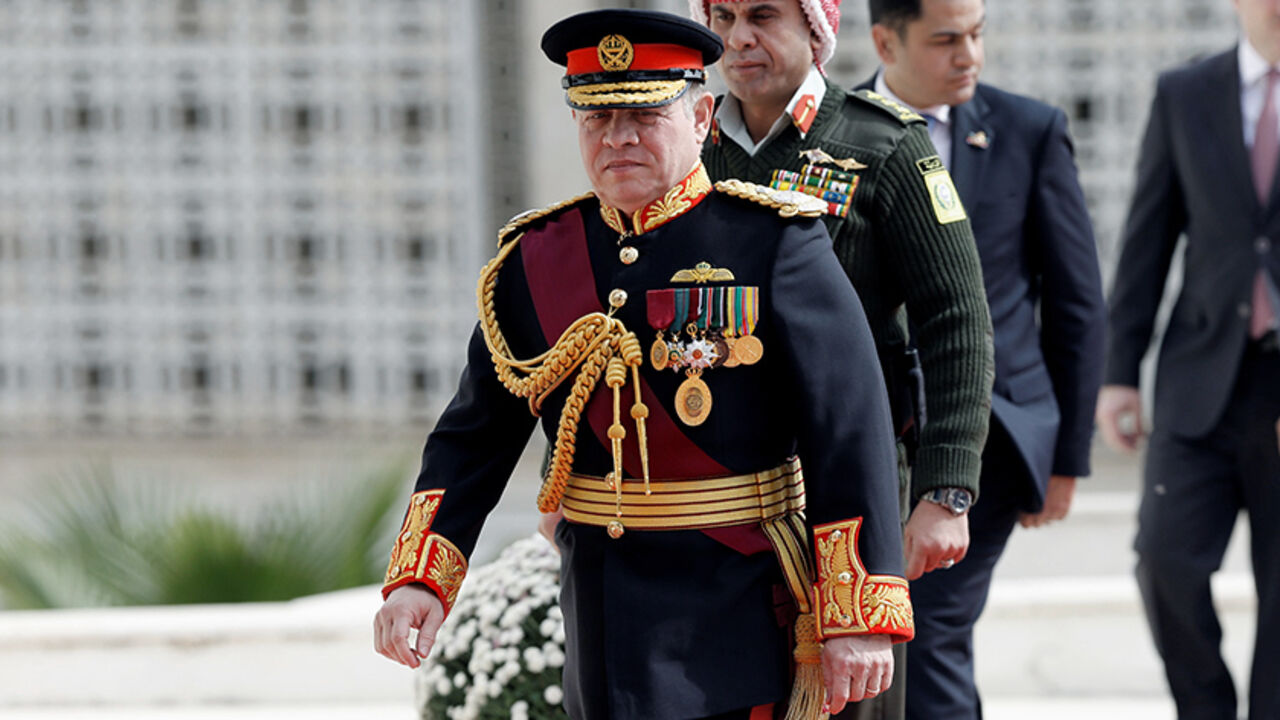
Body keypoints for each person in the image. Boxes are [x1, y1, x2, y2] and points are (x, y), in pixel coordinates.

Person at [373, 9, 914, 720]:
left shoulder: (773, 243)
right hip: (602, 604)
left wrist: (856, 614)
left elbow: (849, 432)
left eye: (643, 116)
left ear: (700, 118)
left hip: (740, 598)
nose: (617, 138)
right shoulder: (535, 261)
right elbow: (473, 435)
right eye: (596, 119)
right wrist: (422, 577)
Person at [691, 1, 994, 716]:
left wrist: (946, 492)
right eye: (723, 16)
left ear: (817, 29)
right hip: (719, 487)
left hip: (848, 484)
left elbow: (958, 321)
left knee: (851, 691)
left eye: (763, 15)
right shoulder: (689, 145)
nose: (739, 37)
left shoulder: (883, 144)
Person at [857, 0, 1107, 717]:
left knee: (930, 630)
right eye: (946, 40)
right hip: (868, 436)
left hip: (992, 435)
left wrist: (1068, 458)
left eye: (977, 35)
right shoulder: (835, 135)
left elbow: (1076, 302)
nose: (970, 55)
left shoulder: (1029, 131)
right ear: (884, 40)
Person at [1097, 0, 1280, 716]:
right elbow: (1148, 237)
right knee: (1165, 561)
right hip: (1200, 379)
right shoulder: (1186, 92)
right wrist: (1119, 375)